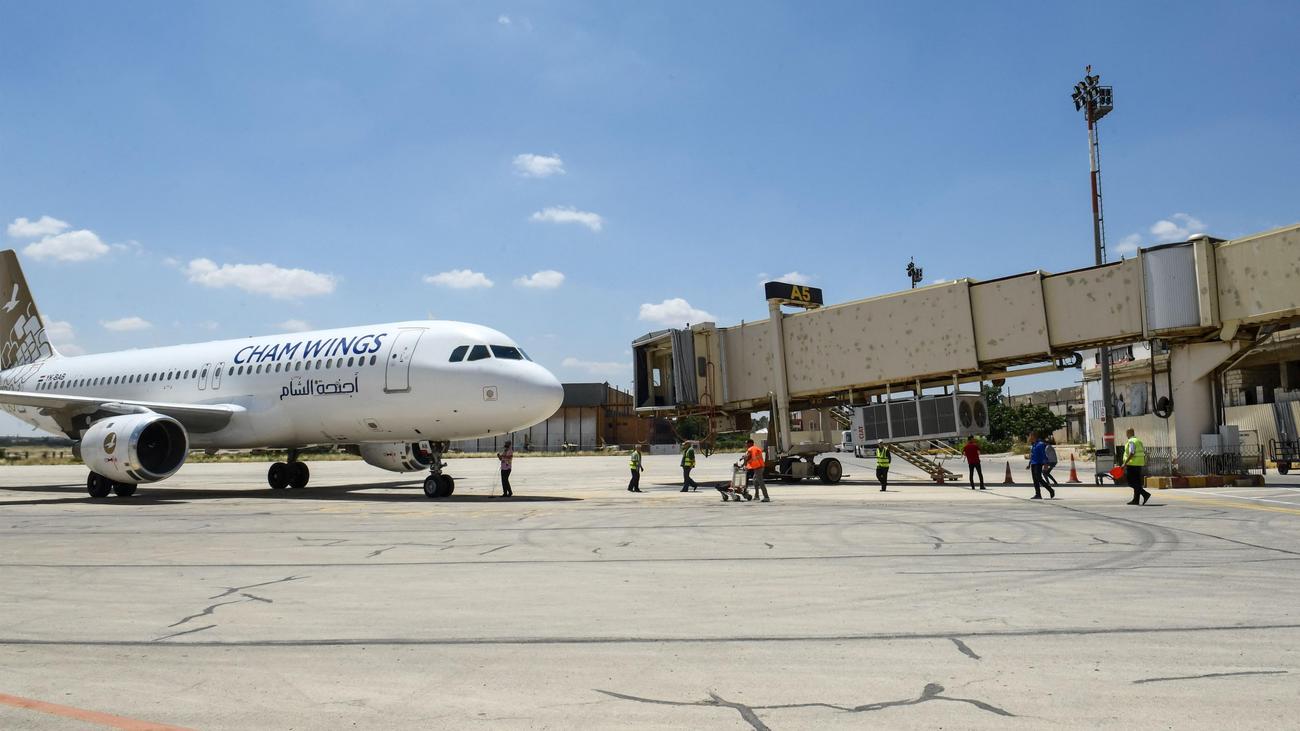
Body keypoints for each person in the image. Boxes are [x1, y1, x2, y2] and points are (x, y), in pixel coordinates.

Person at [1122, 428, 1151, 505]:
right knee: (1137, 483)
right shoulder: (1138, 441)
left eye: (1126, 433)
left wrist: (1125, 463)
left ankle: (1145, 494)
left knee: (1131, 482)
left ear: (1129, 433)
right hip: (1139, 464)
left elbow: (1132, 452)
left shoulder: (1131, 441)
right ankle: (1136, 500)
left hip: (1132, 464)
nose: (1126, 435)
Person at [1028, 432, 1055, 499]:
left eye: (1030, 436)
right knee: (1035, 480)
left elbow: (1044, 455)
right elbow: (1032, 455)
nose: (1029, 437)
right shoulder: (1034, 445)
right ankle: (1038, 494)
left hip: (1038, 463)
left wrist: (1045, 464)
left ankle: (1050, 490)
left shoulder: (1040, 444)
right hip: (1033, 463)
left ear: (1033, 436)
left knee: (1039, 478)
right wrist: (1029, 464)